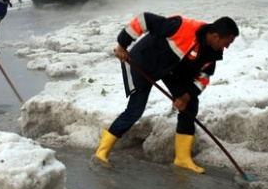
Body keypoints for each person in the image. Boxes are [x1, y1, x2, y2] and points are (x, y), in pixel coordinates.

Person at [94, 12, 239, 173]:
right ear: (216, 36)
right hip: (143, 62)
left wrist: (185, 97)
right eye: (227, 43)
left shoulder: (212, 53)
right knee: (135, 110)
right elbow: (143, 20)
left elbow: (202, 78)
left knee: (189, 105)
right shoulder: (181, 27)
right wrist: (122, 45)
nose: (227, 47)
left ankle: (182, 159)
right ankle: (102, 152)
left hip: (171, 70)